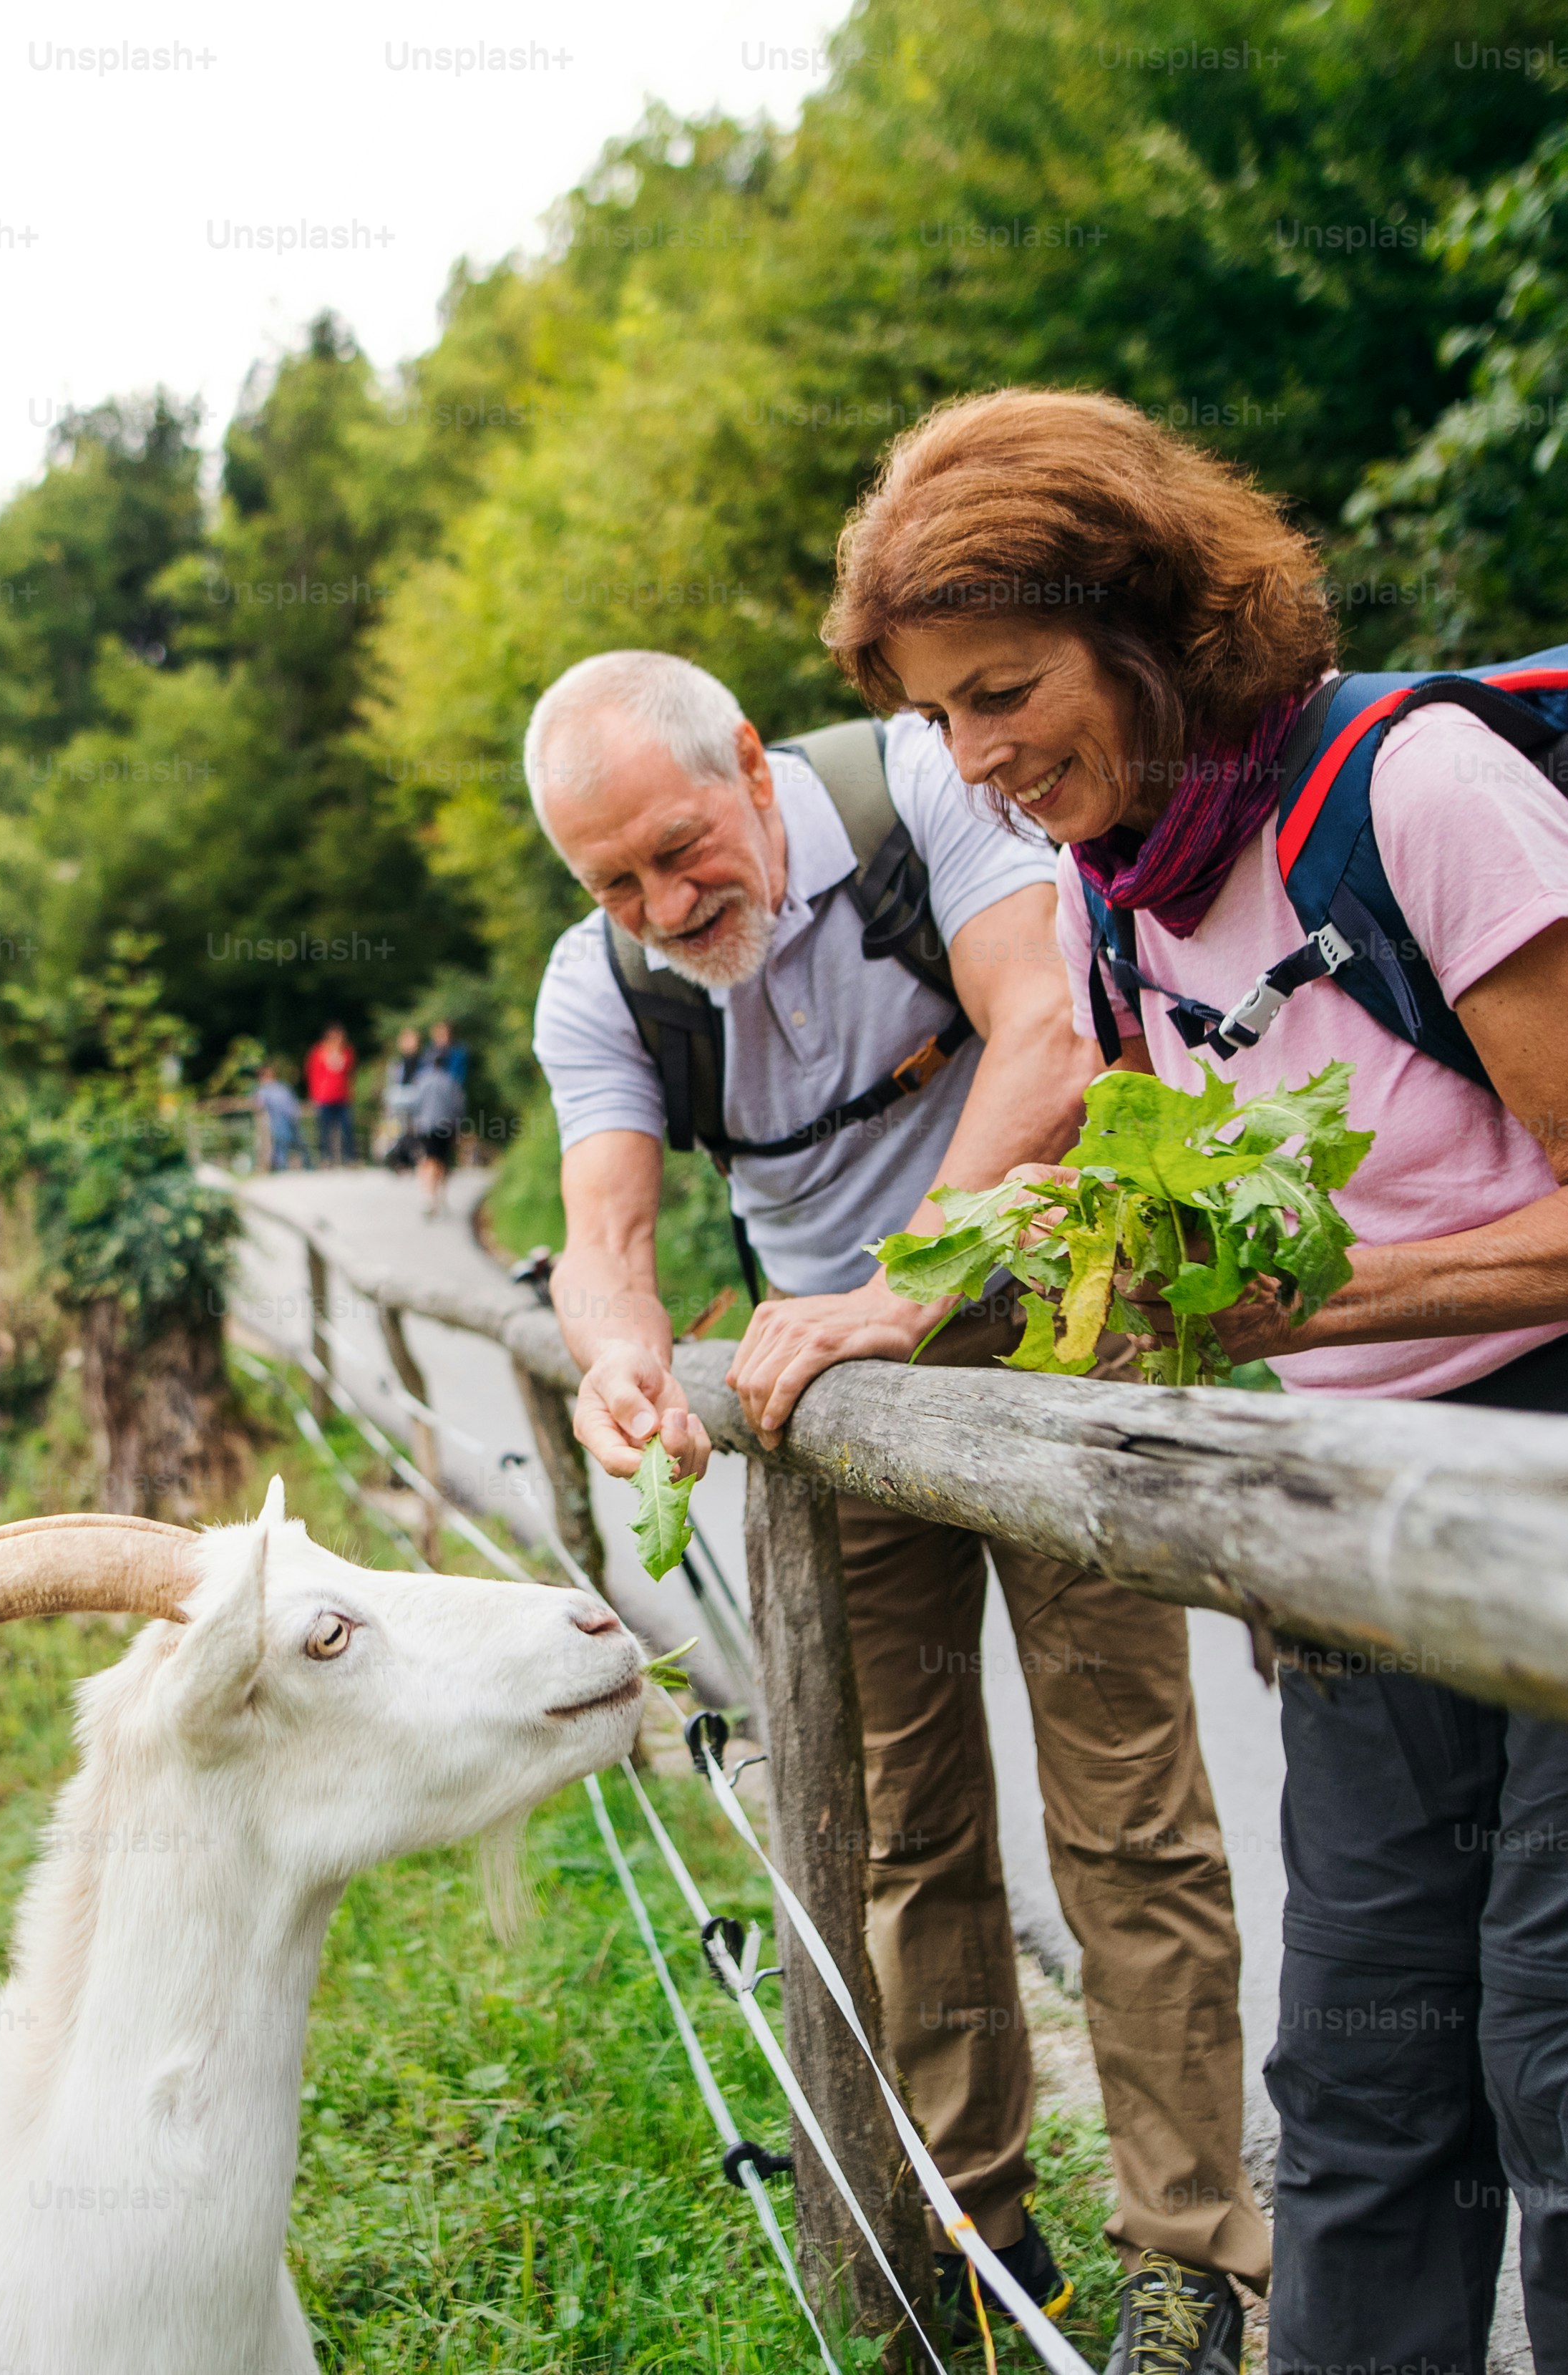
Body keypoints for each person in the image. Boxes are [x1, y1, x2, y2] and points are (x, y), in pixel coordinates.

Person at [824, 387, 1568, 2375]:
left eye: (1004, 689)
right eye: (937, 719)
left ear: (1153, 618)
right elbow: (1145, 1190)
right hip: (1375, 1497)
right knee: (1363, 2089)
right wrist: (900, 1299)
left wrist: (1306, 1311)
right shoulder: (1139, 877)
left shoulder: (1418, 791)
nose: (979, 760)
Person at [523, 647, 1265, 2358]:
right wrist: (623, 1359)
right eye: (612, 879)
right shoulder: (601, 985)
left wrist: (907, 1281)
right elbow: (609, 1239)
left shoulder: (921, 793)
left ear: (759, 773)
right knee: (901, 1824)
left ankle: (1188, 2254)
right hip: (830, 1387)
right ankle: (981, 2238)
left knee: (1128, 1806)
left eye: (680, 846)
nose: (660, 900)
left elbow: (1049, 1036)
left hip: (1046, 1312)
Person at [405, 1031, 467, 1218]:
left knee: (429, 1160)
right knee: (441, 1162)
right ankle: (440, 1198)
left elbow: (414, 1105)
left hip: (426, 1126)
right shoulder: (452, 1082)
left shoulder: (421, 1081)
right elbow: (459, 1107)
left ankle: (429, 1198)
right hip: (446, 1127)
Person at [303, 1023, 358, 1167]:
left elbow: (350, 1074)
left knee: (347, 1129)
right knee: (324, 1131)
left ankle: (349, 1158)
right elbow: (313, 1074)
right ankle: (326, 1159)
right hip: (324, 1098)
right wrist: (314, 1095)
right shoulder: (319, 1052)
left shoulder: (347, 1052)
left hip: (343, 1097)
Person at [376, 1024, 425, 1165]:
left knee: (414, 1132)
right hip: (398, 1104)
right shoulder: (397, 1063)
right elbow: (392, 1083)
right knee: (395, 1132)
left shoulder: (423, 1063)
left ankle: (414, 1157)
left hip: (415, 1104)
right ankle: (398, 1158)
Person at [251, 1059, 306, 1174]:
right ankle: (281, 1167)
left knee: (294, 1142)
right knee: (281, 1143)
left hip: (288, 1119)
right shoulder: (265, 1090)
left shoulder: (282, 1087)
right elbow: (259, 1105)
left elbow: (292, 1104)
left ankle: (301, 1165)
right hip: (277, 1120)